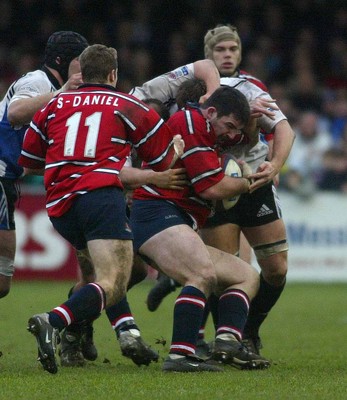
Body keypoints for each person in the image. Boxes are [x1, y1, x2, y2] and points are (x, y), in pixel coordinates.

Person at [19, 44, 184, 374]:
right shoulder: (126, 104)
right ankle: (52, 321)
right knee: (115, 280)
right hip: (100, 198)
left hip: (59, 206)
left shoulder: (53, 106)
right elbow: (163, 159)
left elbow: (30, 161)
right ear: (112, 74)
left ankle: (118, 333)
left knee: (96, 277)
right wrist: (177, 147)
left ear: (81, 74)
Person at [140, 24, 295, 357]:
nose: (227, 55)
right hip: (213, 185)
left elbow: (284, 129)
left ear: (240, 54)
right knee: (223, 271)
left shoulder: (252, 89)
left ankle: (248, 330)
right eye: (220, 50)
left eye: (233, 49)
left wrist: (275, 164)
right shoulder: (191, 90)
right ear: (208, 56)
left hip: (253, 183)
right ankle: (219, 340)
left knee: (277, 268)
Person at [130, 85, 271, 372]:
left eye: (235, 129)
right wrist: (249, 181)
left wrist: (254, 120)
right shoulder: (190, 123)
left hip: (177, 220)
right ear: (210, 112)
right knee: (201, 274)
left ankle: (228, 342)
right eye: (229, 126)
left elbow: (247, 136)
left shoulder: (213, 129)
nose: (232, 136)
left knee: (246, 276)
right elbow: (212, 188)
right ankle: (180, 356)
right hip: (156, 213)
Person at [59, 98, 186, 368]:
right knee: (100, 275)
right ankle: (89, 333)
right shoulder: (118, 136)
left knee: (134, 272)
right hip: (99, 207)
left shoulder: (159, 144)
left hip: (130, 210)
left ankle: (82, 327)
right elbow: (118, 173)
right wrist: (152, 177)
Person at [0, 31, 88, 300]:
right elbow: (15, 112)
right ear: (63, 61)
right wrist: (62, 93)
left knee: (2, 283)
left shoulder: (61, 95)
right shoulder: (37, 81)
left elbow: (30, 162)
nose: (84, 66)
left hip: (9, 181)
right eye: (79, 60)